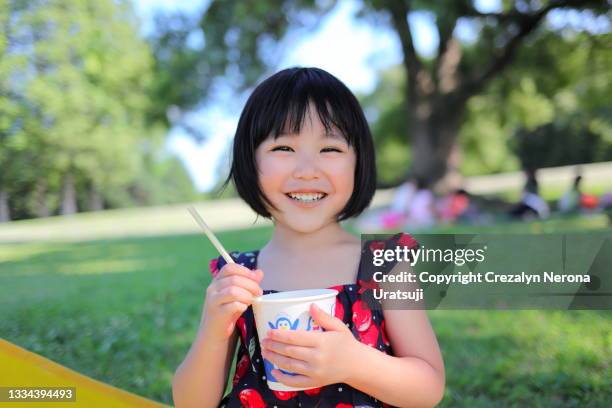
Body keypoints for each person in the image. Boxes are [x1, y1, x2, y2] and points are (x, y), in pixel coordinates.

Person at [172, 67, 445, 407]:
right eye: (283, 148)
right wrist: (214, 328)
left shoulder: (384, 264)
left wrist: (355, 363)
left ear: (359, 162)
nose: (306, 170)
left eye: (330, 149)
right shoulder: (239, 274)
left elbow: (428, 388)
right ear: (249, 161)